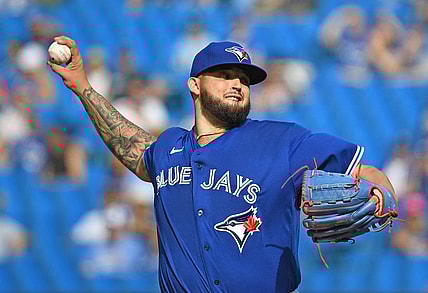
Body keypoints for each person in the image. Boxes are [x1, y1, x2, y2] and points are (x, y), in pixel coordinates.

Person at [48, 36, 397, 293]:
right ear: (194, 86)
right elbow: (131, 146)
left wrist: (383, 193)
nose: (237, 84)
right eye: (225, 75)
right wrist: (84, 89)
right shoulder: (169, 147)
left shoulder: (282, 140)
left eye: (244, 79)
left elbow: (365, 170)